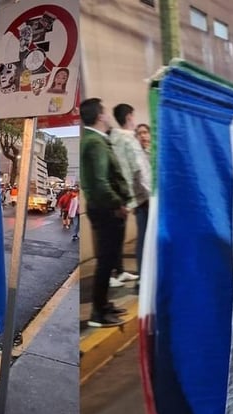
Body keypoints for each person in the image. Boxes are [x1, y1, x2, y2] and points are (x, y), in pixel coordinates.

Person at [80, 98, 131, 327]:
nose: (108, 116)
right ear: (100, 116)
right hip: (106, 210)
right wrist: (118, 203)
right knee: (105, 261)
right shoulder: (95, 143)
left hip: (105, 208)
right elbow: (100, 182)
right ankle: (98, 313)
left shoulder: (96, 140)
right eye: (105, 112)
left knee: (108, 260)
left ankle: (104, 305)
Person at [110, 104, 151, 286]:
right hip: (143, 199)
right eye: (140, 132)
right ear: (129, 116)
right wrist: (150, 195)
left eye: (145, 133)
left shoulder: (114, 140)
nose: (142, 135)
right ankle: (143, 276)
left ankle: (140, 274)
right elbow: (139, 172)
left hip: (131, 198)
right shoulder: (129, 142)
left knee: (141, 238)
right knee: (143, 239)